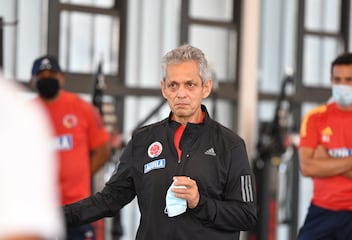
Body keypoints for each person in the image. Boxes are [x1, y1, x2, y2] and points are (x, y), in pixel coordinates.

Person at [64, 44, 257, 240]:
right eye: (173, 85)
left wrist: (200, 203)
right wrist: (56, 217)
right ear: (164, 88)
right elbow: (109, 200)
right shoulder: (142, 140)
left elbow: (247, 216)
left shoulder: (230, 145)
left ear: (205, 88)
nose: (180, 94)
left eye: (190, 84)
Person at [30, 55, 111, 240]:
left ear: (62, 77)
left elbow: (103, 149)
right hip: (38, 208)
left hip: (77, 207)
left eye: (52, 73)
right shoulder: (25, 113)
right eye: (42, 75)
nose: (47, 77)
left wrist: (81, 174)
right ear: (32, 81)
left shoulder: (82, 108)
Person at [298, 52, 352, 240]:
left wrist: (326, 160)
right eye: (337, 79)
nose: (342, 85)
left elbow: (315, 164)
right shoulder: (315, 117)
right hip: (322, 210)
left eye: (349, 80)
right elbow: (307, 167)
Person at [0, 76, 64, 239]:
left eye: (51, 72)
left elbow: (23, 228)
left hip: (68, 205)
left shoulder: (15, 113)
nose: (47, 77)